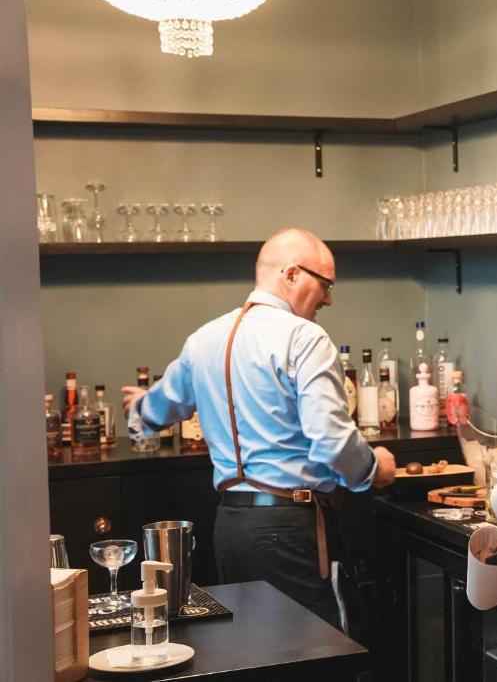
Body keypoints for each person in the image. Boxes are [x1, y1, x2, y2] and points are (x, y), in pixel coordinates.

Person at [121, 227, 396, 632]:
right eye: (326, 284)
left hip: (231, 526)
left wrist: (139, 407)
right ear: (292, 274)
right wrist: (374, 469)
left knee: (253, 651)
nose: (329, 299)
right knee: (318, 652)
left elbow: (156, 411)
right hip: (291, 525)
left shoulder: (204, 339)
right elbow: (330, 439)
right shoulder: (305, 337)